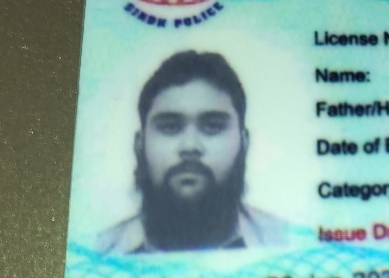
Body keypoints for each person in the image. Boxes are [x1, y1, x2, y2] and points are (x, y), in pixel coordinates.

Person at [96, 50, 287, 253]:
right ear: (140, 145)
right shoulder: (92, 258)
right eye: (170, 127)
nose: (190, 146)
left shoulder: (292, 250)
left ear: (244, 143)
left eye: (213, 126)